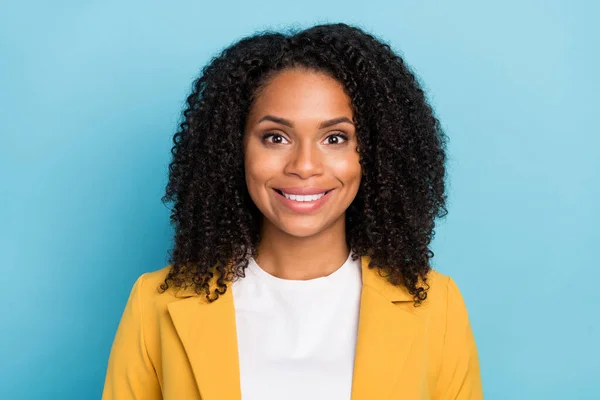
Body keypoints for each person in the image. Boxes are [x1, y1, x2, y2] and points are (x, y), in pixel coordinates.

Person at [102, 22, 483, 400]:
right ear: (235, 150)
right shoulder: (153, 303)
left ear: (377, 154)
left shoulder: (437, 305)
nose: (304, 165)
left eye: (335, 138)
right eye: (276, 137)